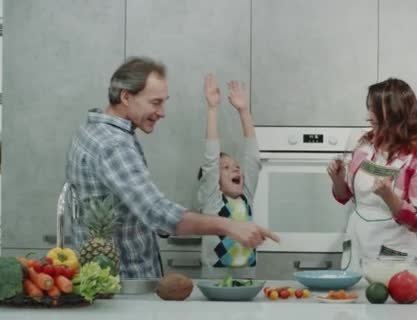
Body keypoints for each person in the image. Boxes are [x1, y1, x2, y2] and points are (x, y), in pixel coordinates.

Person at [65, 57, 278, 279]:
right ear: (126, 97)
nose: (163, 112)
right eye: (156, 102)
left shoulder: (91, 129)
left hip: (106, 279)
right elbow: (157, 212)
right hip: (125, 283)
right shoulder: (114, 144)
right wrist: (230, 226)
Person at [327, 78, 417, 271]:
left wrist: (389, 197)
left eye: (374, 109)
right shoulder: (362, 147)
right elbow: (345, 197)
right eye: (368, 107)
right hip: (356, 245)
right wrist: (337, 180)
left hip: (393, 252)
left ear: (395, 114)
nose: (368, 116)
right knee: (352, 298)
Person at [196, 75, 260, 278]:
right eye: (225, 167)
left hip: (248, 273)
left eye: (236, 166)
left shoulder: (245, 196)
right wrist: (212, 110)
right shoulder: (212, 199)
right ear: (215, 179)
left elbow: (253, 158)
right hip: (214, 275)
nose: (235, 169)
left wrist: (244, 111)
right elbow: (211, 158)